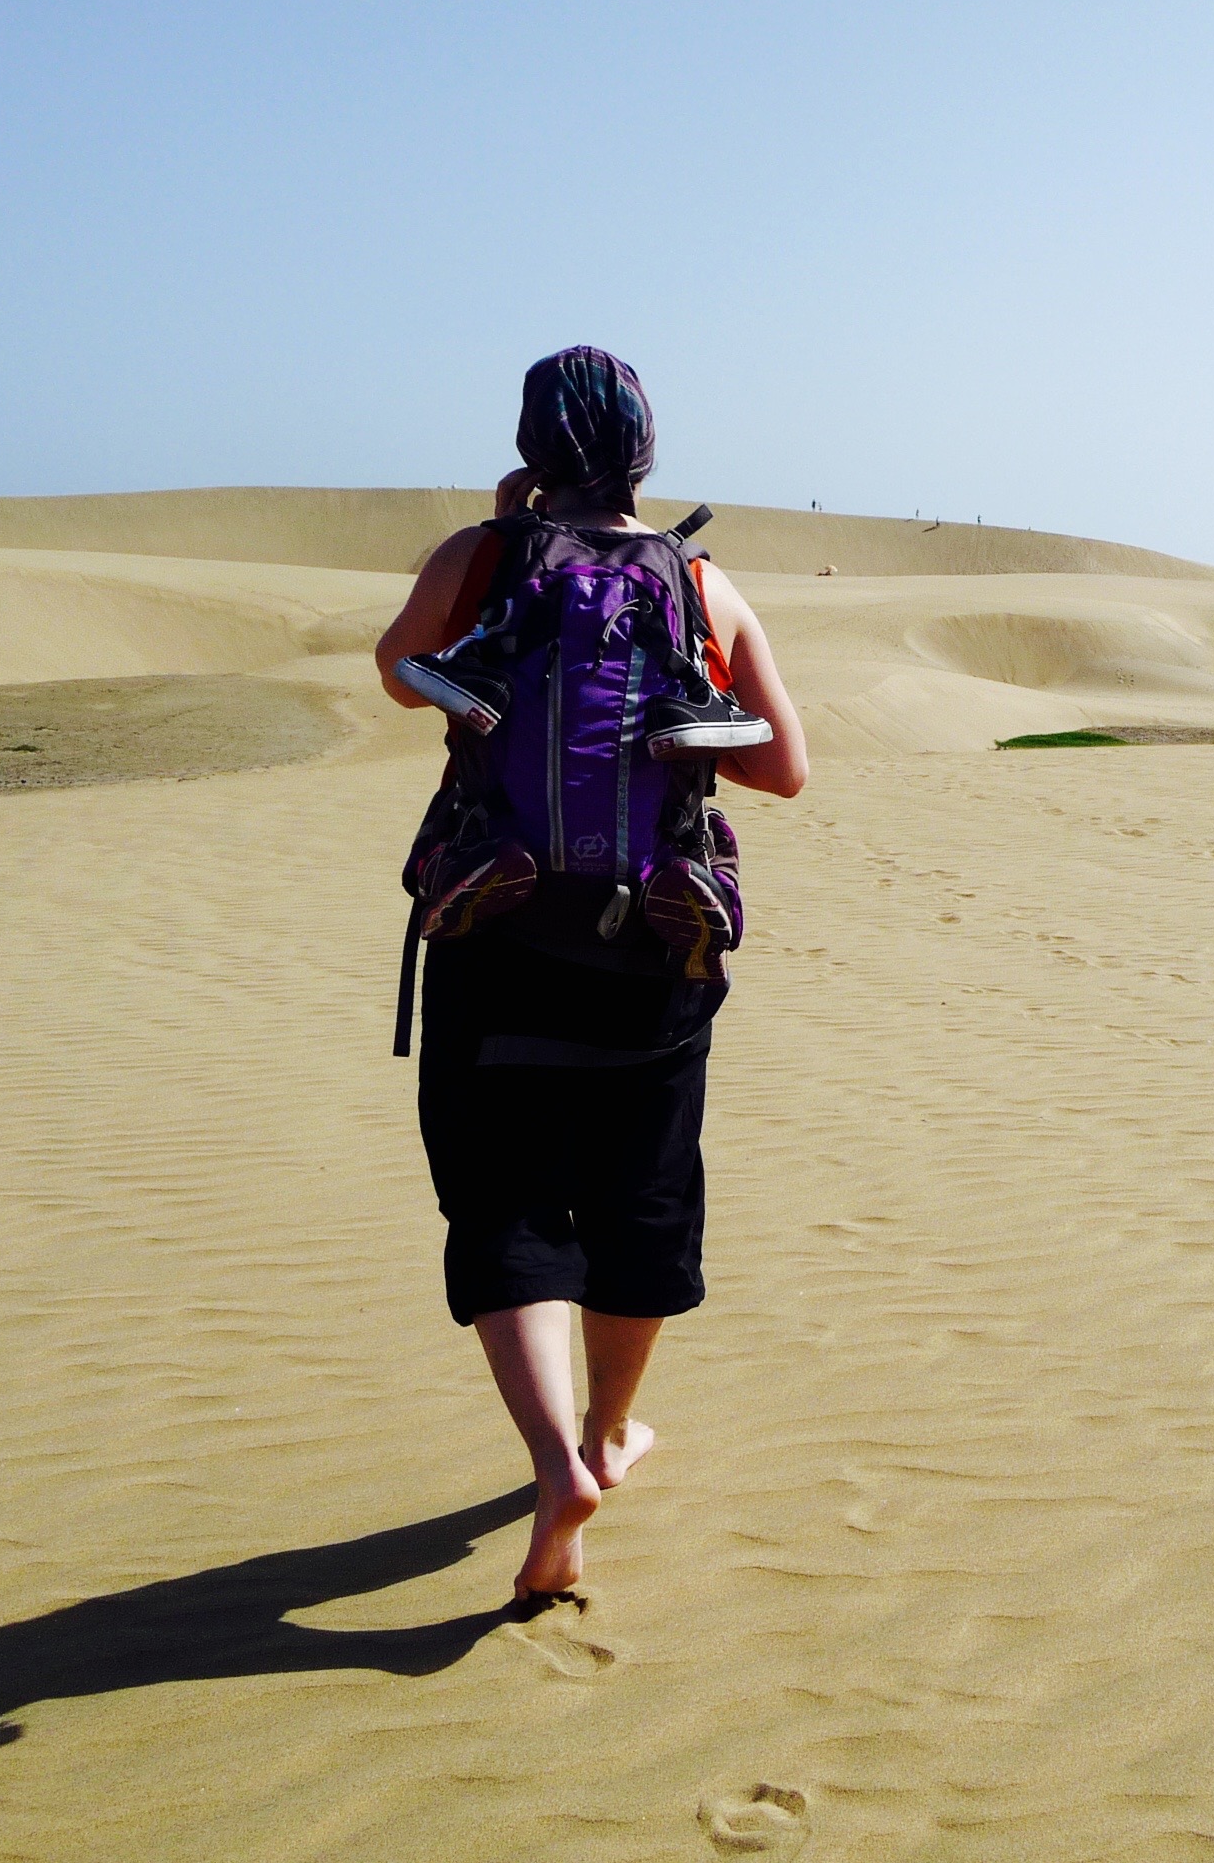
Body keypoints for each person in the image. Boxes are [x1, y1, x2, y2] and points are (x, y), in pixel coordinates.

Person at [375, 348, 809, 1605]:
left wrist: (497, 553)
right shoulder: (703, 582)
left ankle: (553, 1458)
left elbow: (399, 672)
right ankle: (611, 1438)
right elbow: (784, 767)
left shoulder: (480, 561)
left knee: (506, 1207)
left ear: (529, 444)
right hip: (657, 953)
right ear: (644, 447)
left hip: (493, 932)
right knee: (640, 1201)